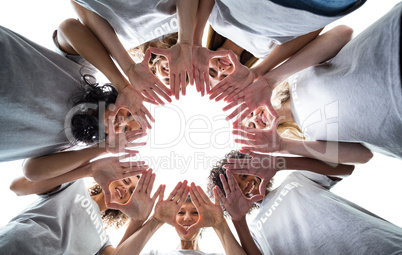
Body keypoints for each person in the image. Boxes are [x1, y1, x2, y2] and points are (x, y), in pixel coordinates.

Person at [223, 4, 402, 161]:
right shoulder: (308, 139)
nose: (256, 119)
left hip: (390, 44)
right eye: (253, 127)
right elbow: (363, 155)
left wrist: (270, 80)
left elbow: (342, 33)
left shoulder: (293, 76)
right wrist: (282, 146)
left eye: (249, 114)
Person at [207, 151, 402, 255]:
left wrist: (279, 163)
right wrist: (238, 221)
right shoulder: (254, 231)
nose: (247, 184)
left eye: (243, 176)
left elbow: (344, 167)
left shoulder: (296, 179)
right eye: (237, 188)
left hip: (385, 250)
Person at [0, 24, 152, 163]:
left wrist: (103, 149)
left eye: (125, 129)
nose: (121, 121)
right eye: (130, 115)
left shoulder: (66, 142)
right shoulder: (83, 73)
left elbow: (32, 173)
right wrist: (122, 85)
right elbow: (68, 29)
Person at [0, 156, 162, 255]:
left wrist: (138, 221)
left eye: (132, 192)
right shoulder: (73, 184)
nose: (125, 188)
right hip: (8, 248)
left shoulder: (102, 241)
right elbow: (18, 187)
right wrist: (90, 169)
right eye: (126, 180)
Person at [191, 0, 365, 97]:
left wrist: (193, 43)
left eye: (212, 72)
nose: (221, 70)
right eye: (225, 77)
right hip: (314, 5)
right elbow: (313, 30)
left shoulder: (215, 22)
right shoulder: (265, 54)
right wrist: (259, 71)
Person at [103, 181, 256, 255]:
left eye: (195, 213)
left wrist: (220, 224)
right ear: (173, 220)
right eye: (181, 213)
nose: (187, 218)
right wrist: (155, 220)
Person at [70, 0, 198, 101]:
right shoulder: (187, 23)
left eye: (167, 80)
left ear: (154, 74)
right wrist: (186, 42)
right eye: (182, 74)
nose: (173, 74)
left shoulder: (123, 44)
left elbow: (82, 5)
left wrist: (128, 68)